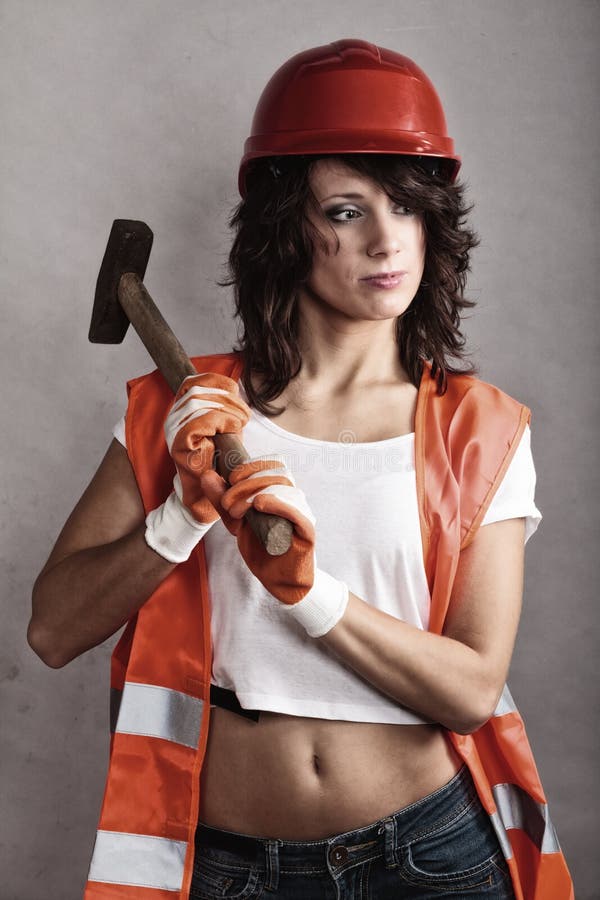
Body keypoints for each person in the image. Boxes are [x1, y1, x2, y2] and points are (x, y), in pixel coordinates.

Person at [29, 39, 573, 900]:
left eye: (407, 206)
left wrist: (309, 594)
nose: (387, 240)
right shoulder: (185, 416)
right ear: (291, 229)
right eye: (348, 211)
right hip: (227, 864)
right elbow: (52, 631)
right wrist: (178, 521)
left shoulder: (480, 429)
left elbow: (471, 689)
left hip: (428, 858)